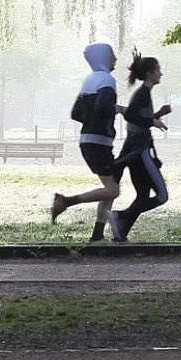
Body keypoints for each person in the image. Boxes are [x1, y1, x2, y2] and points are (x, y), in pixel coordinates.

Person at [50, 42, 123, 240]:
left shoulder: (89, 80)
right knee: (112, 190)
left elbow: (76, 113)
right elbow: (103, 106)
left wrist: (92, 122)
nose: (115, 58)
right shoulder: (107, 79)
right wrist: (119, 110)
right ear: (104, 58)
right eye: (112, 55)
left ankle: (97, 235)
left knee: (110, 189)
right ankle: (66, 201)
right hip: (99, 142)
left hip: (89, 140)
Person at [109, 54, 171, 242]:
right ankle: (120, 216)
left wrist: (157, 114)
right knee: (161, 196)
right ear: (150, 74)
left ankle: (121, 233)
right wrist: (152, 121)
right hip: (140, 151)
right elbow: (130, 115)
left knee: (143, 195)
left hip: (135, 151)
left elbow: (138, 118)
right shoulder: (142, 93)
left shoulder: (144, 94)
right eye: (158, 70)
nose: (161, 74)